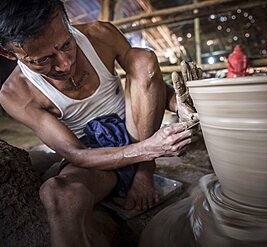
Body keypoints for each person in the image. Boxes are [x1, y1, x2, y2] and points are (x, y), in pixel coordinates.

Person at [0, 0, 201, 246]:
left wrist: (177, 104)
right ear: (9, 54)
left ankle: (143, 172)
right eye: (43, 60)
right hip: (97, 159)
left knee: (143, 59)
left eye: (66, 44)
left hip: (137, 128)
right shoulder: (15, 93)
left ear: (66, 22)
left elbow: (148, 81)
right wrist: (151, 147)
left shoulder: (100, 35)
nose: (65, 63)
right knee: (57, 194)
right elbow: (77, 155)